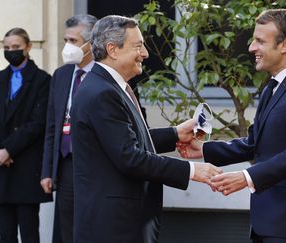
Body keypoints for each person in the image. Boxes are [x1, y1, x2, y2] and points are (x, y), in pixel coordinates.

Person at [179, 9, 286, 243]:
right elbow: (254, 143)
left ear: (285, 45)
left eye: (260, 41)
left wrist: (246, 177)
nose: (251, 48)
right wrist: (204, 150)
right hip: (266, 221)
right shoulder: (271, 87)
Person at [70, 15, 222, 243]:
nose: (145, 53)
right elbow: (129, 157)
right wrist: (192, 171)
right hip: (113, 228)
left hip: (121, 222)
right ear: (113, 49)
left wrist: (174, 134)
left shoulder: (109, 87)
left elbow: (123, 140)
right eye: (138, 46)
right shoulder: (103, 93)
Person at [0, 27, 52, 243]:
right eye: (6, 47)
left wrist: (9, 149)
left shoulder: (42, 80)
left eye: (15, 47)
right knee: (6, 235)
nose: (10, 51)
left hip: (26, 165)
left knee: (30, 233)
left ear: (28, 47)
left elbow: (37, 122)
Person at [39, 14, 97, 243]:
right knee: (67, 228)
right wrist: (47, 171)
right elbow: (52, 127)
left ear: (90, 44)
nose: (67, 46)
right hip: (66, 164)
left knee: (93, 226)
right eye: (66, 40)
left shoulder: (108, 74)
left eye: (73, 41)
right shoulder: (61, 75)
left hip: (96, 165)